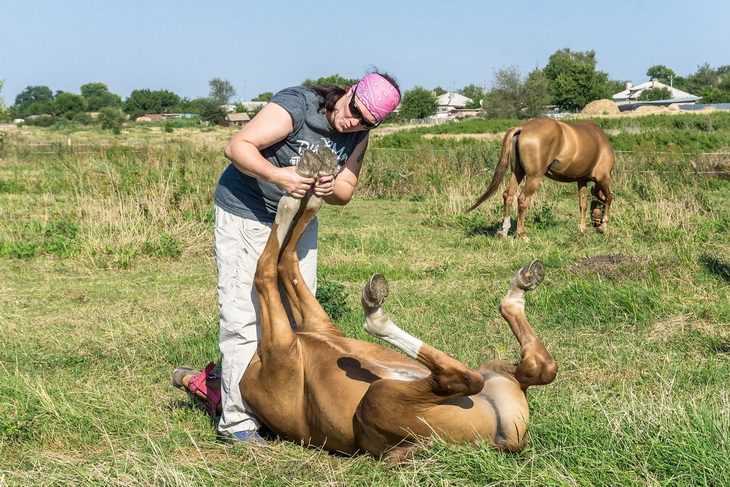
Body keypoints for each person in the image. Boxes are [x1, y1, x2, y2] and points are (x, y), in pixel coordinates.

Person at [209, 71, 401, 443]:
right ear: (349, 92)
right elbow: (238, 147)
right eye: (355, 111)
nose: (354, 123)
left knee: (296, 311)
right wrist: (279, 176)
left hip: (299, 218)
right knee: (244, 316)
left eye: (367, 122)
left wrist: (330, 186)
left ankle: (277, 404)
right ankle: (236, 422)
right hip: (247, 211)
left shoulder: (359, 133)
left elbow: (345, 190)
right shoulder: (297, 105)